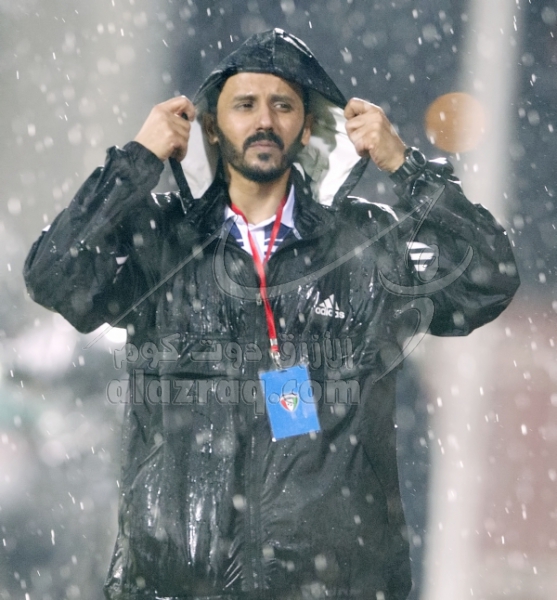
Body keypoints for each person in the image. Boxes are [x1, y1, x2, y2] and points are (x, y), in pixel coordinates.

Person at [24, 28, 519, 600]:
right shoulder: (160, 239)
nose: (265, 120)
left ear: (307, 126)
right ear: (211, 125)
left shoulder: (364, 243)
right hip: (172, 587)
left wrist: (405, 166)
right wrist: (135, 161)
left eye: (283, 105)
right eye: (245, 105)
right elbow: (53, 275)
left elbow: (488, 279)